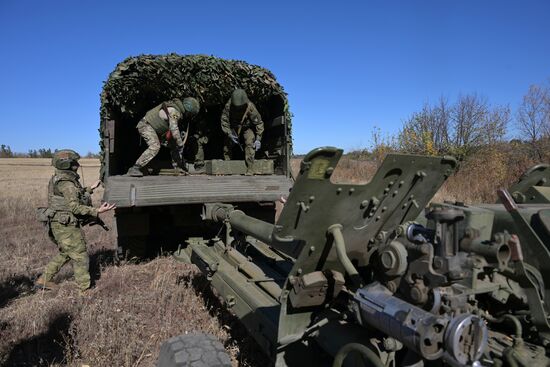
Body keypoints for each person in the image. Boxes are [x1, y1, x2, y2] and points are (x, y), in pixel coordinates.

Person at [35, 149, 116, 293]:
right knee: (80, 255)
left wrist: (90, 189)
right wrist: (97, 211)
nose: (77, 165)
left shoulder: (61, 179)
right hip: (65, 224)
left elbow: (72, 196)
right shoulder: (66, 183)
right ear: (66, 165)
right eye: (74, 163)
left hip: (59, 222)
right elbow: (75, 207)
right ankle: (84, 290)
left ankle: (44, 279)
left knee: (67, 252)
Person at [127, 97, 200, 177]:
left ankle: (179, 166)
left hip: (152, 127)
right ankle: (135, 167)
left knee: (173, 144)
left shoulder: (175, 108)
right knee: (155, 146)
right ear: (188, 111)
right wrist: (180, 143)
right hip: (145, 126)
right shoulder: (175, 112)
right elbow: (174, 129)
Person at [221, 89, 264, 175]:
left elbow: (259, 123)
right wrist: (229, 133)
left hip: (246, 128)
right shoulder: (228, 106)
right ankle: (227, 167)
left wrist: (258, 139)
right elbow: (224, 121)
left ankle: (250, 169)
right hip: (233, 128)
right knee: (227, 144)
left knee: (250, 142)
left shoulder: (250, 107)